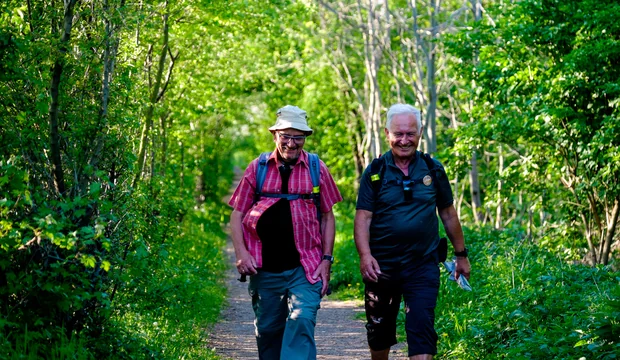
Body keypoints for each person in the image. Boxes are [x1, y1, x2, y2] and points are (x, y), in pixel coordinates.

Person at [354, 103, 471, 360]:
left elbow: (448, 213)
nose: (404, 140)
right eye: (399, 134)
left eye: (410, 134)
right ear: (387, 134)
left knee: (422, 330)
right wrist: (365, 255)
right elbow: (363, 217)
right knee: (379, 332)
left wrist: (461, 254)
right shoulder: (375, 172)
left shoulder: (433, 169)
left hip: (422, 264)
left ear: (420, 133)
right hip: (381, 267)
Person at [228, 105, 343, 360]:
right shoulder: (257, 168)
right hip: (264, 268)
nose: (291, 144)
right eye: (286, 136)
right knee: (269, 332)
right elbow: (237, 214)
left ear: (306, 138)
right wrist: (241, 254)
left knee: (302, 320)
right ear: (275, 136)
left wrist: (326, 260)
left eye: (298, 137)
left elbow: (327, 216)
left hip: (306, 266)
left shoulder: (316, 168)